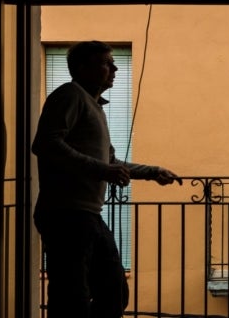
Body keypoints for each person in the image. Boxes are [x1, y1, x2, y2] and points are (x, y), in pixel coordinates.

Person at [32, 40, 181, 318]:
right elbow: (46, 144)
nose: (114, 68)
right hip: (66, 215)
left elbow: (110, 163)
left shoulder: (94, 106)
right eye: (105, 63)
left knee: (113, 291)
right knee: (72, 297)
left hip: (85, 215)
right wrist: (102, 170)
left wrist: (152, 172)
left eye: (113, 62)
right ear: (81, 68)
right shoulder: (70, 95)